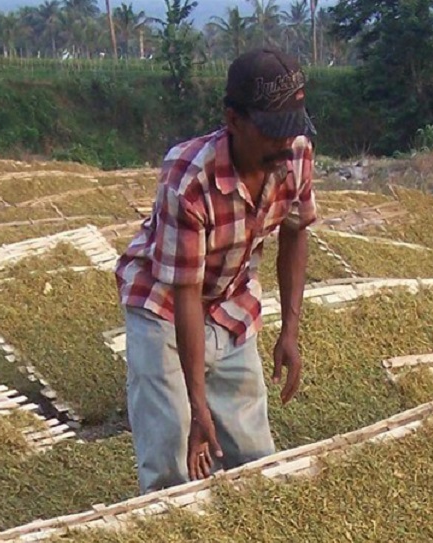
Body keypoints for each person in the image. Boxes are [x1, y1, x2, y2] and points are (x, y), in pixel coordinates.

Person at [115, 47, 317, 494]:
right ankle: (169, 526)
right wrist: (197, 403)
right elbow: (184, 294)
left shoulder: (295, 153)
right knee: (173, 452)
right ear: (233, 120)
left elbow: (295, 232)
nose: (284, 145)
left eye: (291, 132)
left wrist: (290, 332)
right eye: (272, 133)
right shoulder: (189, 177)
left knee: (254, 454)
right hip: (164, 305)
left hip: (231, 301)